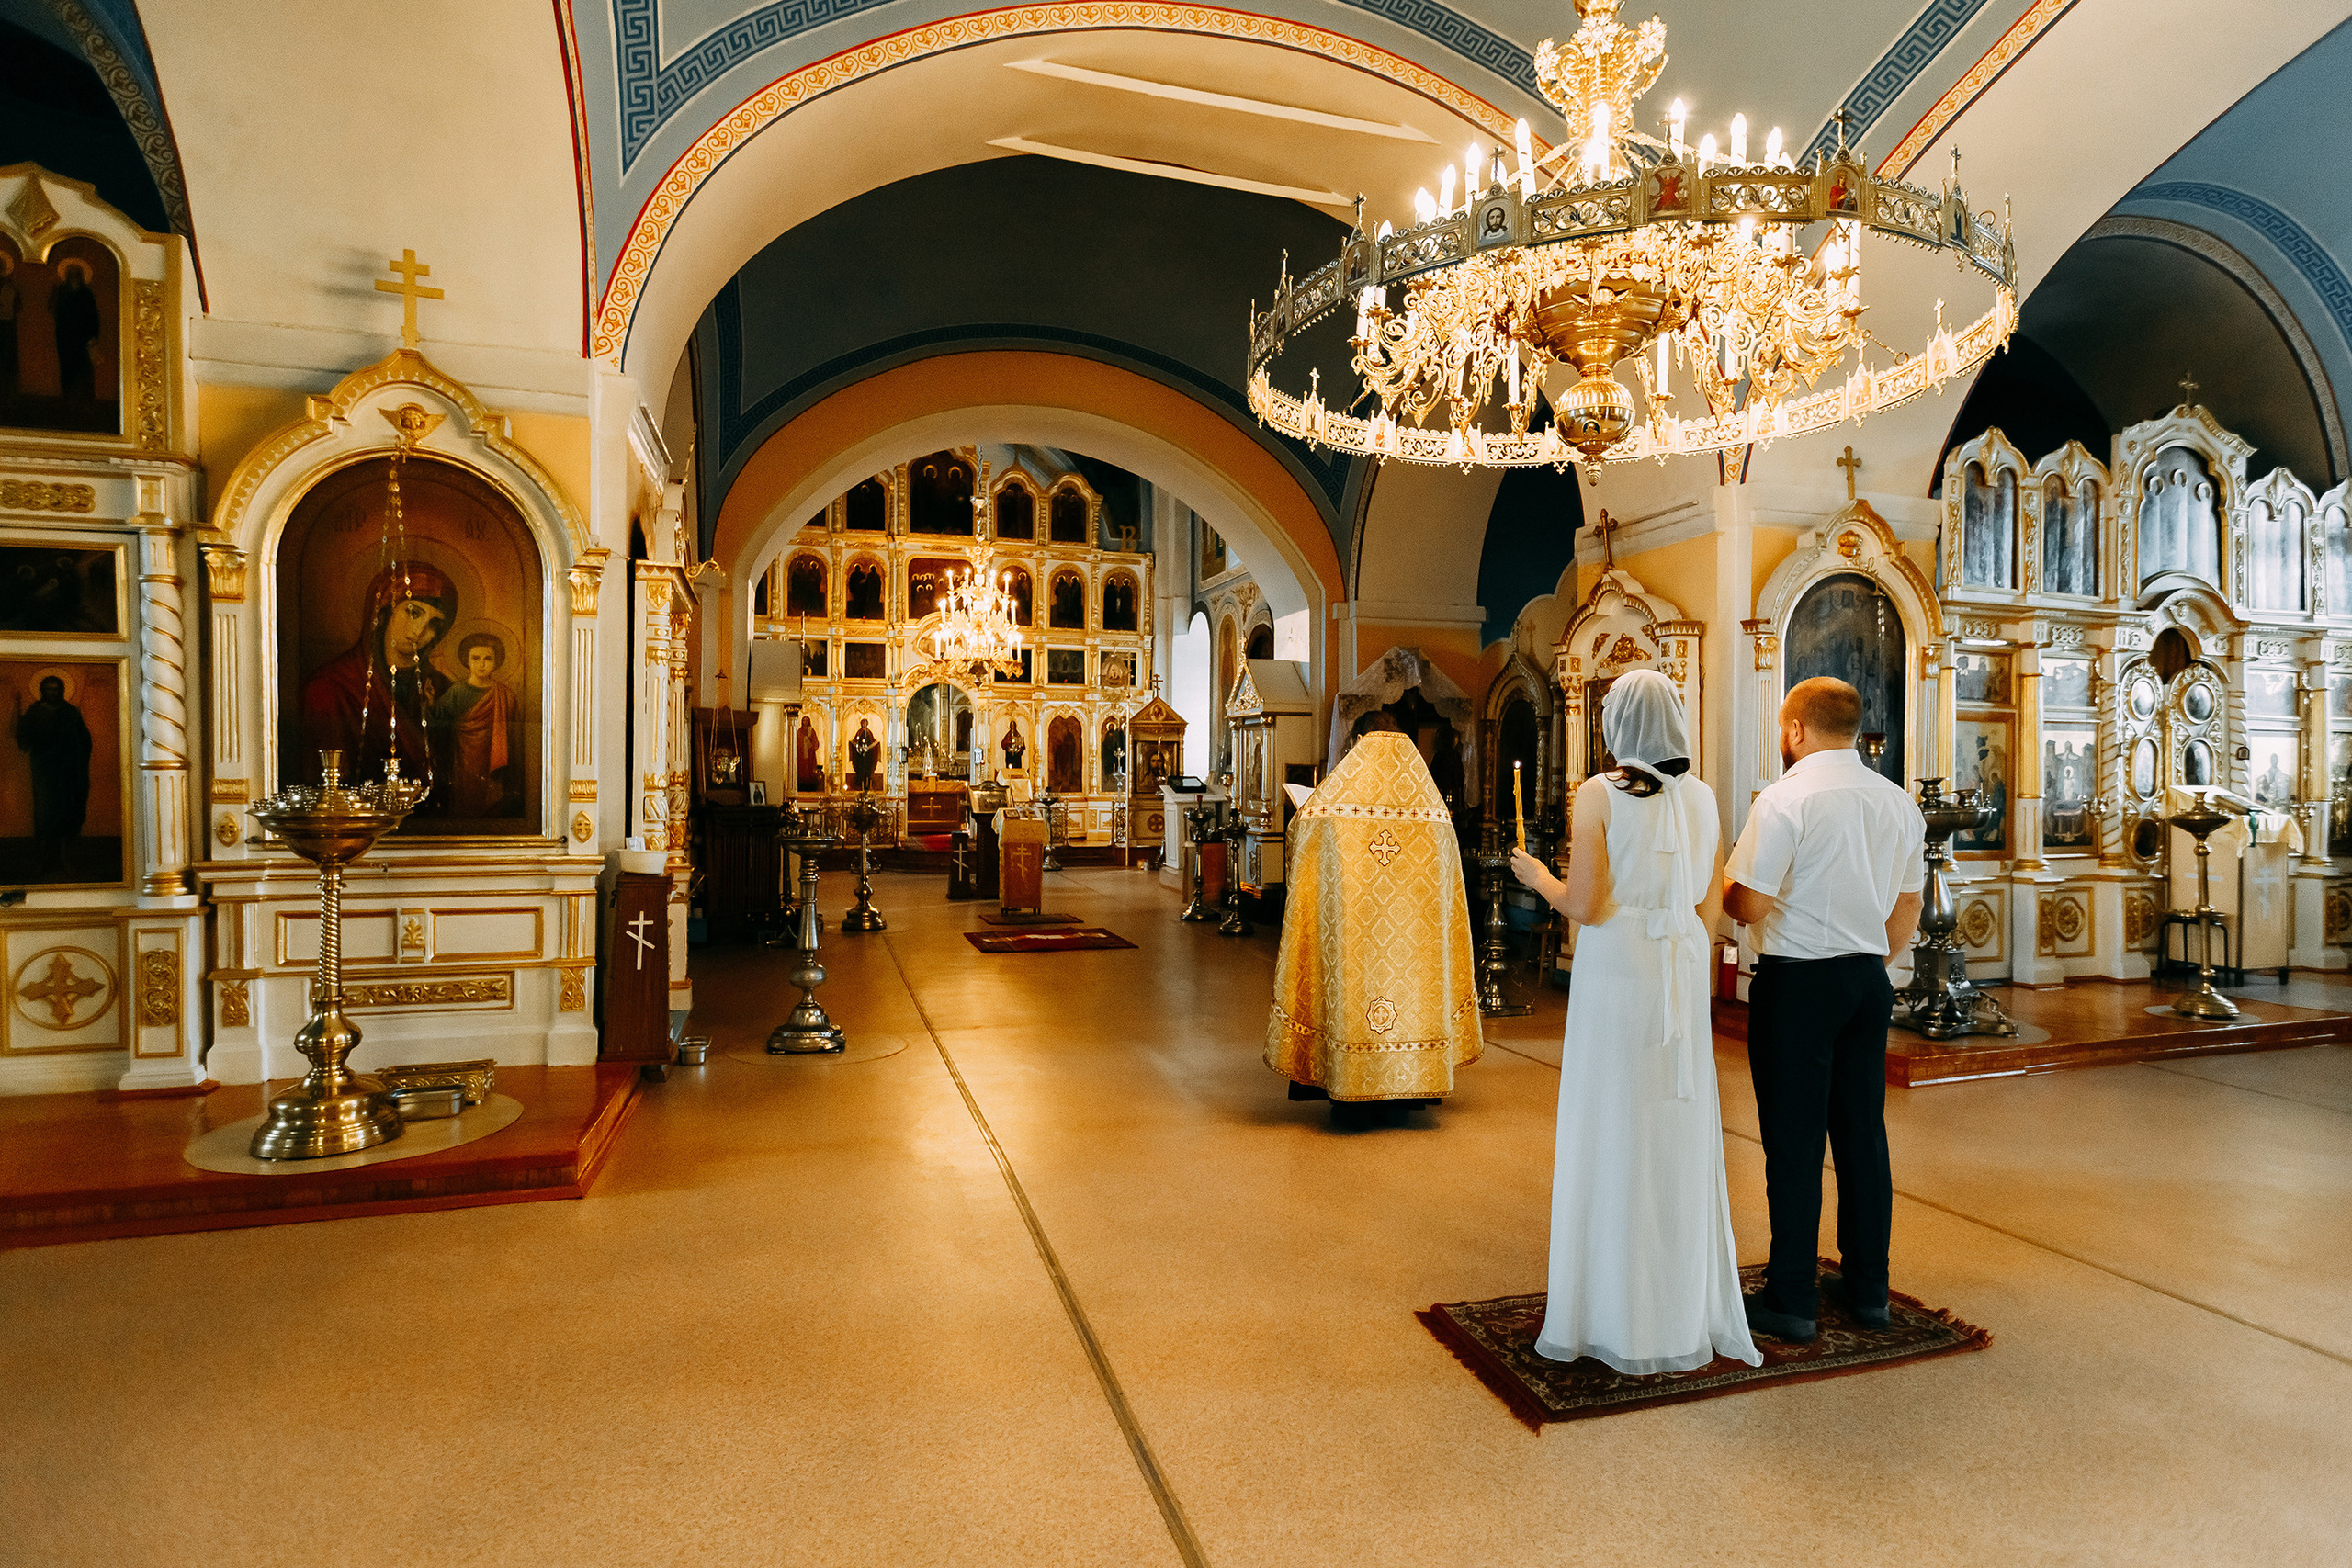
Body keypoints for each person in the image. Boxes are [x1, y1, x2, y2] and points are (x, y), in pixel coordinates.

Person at [1508, 669, 1758, 1373]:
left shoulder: (1600, 792)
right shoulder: (1705, 797)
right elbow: (1709, 905)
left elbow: (1585, 904)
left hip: (1618, 969)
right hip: (1679, 967)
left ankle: (1610, 1313)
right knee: (1670, 1127)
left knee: (1613, 1123)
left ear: (1618, 726)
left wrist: (1536, 877)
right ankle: (1675, 1310)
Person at [1723, 676, 1925, 1341]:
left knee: (1795, 1142)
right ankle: (1869, 1290)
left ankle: (1793, 1299)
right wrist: (1867, 956)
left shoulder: (1784, 799)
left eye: (1784, 729)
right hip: (1868, 982)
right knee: (1863, 1135)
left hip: (1799, 985)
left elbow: (1748, 903)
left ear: (1796, 730)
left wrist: (1725, 884)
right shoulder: (1898, 802)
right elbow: (1907, 906)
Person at [299, 561, 456, 794]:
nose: (421, 631)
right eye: (413, 613)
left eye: (434, 624)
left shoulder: (443, 689)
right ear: (382, 613)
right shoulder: (330, 687)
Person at [430, 631, 522, 817]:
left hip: (492, 761)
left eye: (488, 659)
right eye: (476, 658)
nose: (482, 664)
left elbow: (515, 736)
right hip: (462, 759)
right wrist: (430, 703)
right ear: (467, 661)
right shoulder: (457, 691)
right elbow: (436, 718)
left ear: (496, 662)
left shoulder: (506, 696)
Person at [14, 674, 91, 874]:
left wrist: (74, 743)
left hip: (66, 770)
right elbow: (23, 737)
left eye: (56, 689)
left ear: (62, 691)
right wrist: (17, 708)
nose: (52, 693)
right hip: (44, 769)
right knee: (45, 812)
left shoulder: (71, 713)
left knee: (66, 810)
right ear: (42, 691)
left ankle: (65, 857)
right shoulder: (35, 712)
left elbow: (84, 741)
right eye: (48, 689)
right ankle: (42, 857)